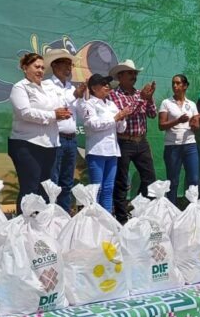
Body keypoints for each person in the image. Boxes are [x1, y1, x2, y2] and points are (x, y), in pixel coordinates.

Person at [7, 53, 72, 213]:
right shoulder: (20, 87)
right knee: (30, 187)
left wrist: (62, 113)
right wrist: (53, 115)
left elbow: (59, 106)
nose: (40, 71)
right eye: (36, 67)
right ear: (25, 68)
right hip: (27, 144)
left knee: (45, 189)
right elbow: (25, 112)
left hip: (49, 144)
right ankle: (24, 223)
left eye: (42, 68)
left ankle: (41, 223)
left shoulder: (48, 88)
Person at [107, 59, 158, 224]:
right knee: (121, 181)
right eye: (130, 73)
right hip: (124, 142)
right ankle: (121, 218)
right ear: (120, 76)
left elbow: (152, 114)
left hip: (141, 141)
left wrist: (150, 98)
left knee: (150, 179)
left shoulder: (139, 94)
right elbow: (126, 113)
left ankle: (141, 211)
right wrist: (142, 98)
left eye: (135, 73)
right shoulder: (114, 95)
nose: (134, 76)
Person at [80, 73, 131, 213]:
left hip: (112, 151)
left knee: (108, 188)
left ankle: (107, 219)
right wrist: (116, 118)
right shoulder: (88, 104)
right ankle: (94, 219)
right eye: (103, 84)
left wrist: (122, 118)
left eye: (108, 84)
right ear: (94, 88)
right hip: (97, 151)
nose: (107, 86)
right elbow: (93, 124)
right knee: (96, 189)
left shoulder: (111, 104)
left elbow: (121, 129)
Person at [45, 49, 84, 214]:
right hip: (56, 137)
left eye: (70, 64)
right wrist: (75, 95)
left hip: (71, 138)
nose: (69, 67)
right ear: (54, 65)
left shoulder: (71, 87)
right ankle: (51, 215)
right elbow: (55, 108)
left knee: (67, 181)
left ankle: (64, 215)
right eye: (65, 63)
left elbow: (81, 113)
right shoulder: (47, 86)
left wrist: (81, 98)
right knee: (53, 180)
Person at [159, 74, 200, 204]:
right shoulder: (166, 103)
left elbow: (196, 127)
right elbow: (161, 125)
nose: (174, 85)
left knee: (193, 180)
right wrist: (178, 120)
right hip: (172, 146)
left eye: (178, 83)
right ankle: (171, 210)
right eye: (173, 83)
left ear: (185, 86)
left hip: (190, 145)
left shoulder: (192, 104)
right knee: (173, 181)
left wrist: (195, 124)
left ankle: (192, 210)